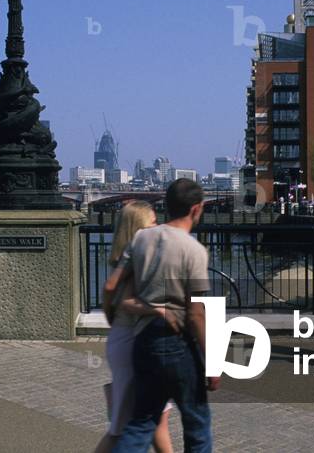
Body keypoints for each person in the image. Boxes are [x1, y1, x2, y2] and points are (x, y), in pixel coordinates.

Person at [114, 180, 217, 453]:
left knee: (141, 422)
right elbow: (195, 315)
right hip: (178, 342)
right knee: (196, 424)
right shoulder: (194, 250)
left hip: (144, 339)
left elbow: (113, 285)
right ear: (197, 209)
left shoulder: (141, 238)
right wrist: (212, 363)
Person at [96, 201, 173, 453]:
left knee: (157, 418)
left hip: (125, 339)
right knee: (122, 428)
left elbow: (110, 292)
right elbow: (118, 294)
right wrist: (160, 310)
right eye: (152, 222)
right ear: (139, 227)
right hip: (132, 343)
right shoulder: (138, 257)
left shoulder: (125, 257)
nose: (157, 226)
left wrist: (111, 315)